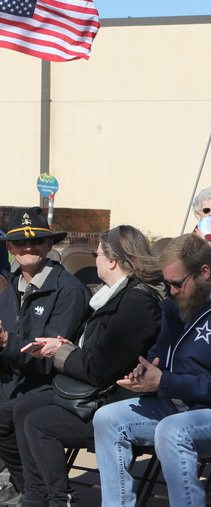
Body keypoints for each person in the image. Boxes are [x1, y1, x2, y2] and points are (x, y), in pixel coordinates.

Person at [92, 234, 211, 506]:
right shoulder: (178, 302)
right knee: (107, 418)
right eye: (167, 284)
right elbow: (161, 353)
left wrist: (164, 382)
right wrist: (145, 372)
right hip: (181, 406)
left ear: (205, 272)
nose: (171, 291)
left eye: (176, 283)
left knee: (172, 431)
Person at [13, 225, 164, 507]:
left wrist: (62, 351)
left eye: (96, 253)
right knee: (24, 407)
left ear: (111, 261)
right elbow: (94, 353)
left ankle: (61, 500)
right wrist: (64, 346)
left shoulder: (136, 303)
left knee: (39, 422)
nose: (93, 259)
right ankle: (35, 495)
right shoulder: (111, 295)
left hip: (115, 400)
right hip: (94, 389)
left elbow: (101, 369)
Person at [0, 208, 91, 503]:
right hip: (11, 381)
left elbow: (47, 354)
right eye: (21, 243)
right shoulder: (8, 287)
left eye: (38, 241)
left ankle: (33, 491)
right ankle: (25, 485)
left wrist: (4, 342)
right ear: (9, 248)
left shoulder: (69, 290)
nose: (29, 248)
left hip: (48, 383)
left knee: (7, 415)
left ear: (50, 245)